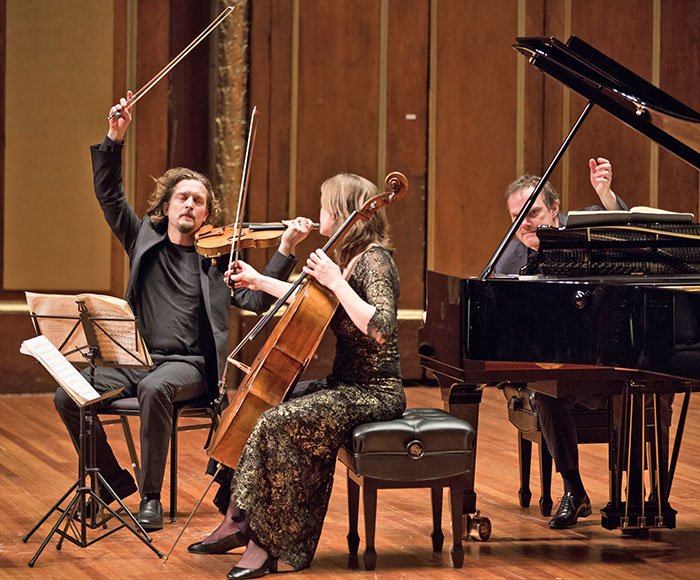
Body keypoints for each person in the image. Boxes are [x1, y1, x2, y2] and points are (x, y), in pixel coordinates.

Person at [53, 92, 314, 531]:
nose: (190, 205)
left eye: (198, 200)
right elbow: (109, 195)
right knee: (68, 393)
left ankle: (150, 497)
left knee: (157, 388)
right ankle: (113, 479)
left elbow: (255, 302)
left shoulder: (215, 261)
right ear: (166, 207)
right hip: (137, 359)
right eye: (182, 198)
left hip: (191, 368)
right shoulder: (143, 241)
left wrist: (284, 249)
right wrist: (114, 138)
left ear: (207, 213)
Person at [187, 173, 406, 577]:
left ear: (344, 212)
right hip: (346, 384)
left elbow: (379, 327)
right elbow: (310, 300)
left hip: (375, 392)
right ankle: (237, 519)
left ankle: (267, 543)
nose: (320, 211)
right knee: (267, 403)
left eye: (325, 204)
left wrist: (337, 281)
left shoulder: (375, 259)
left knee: (277, 423)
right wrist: (257, 280)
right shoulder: (349, 256)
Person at [494, 158, 626, 529]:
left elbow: (618, 226)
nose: (525, 224)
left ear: (555, 209)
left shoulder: (581, 229)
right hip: (560, 369)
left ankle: (640, 497)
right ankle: (574, 490)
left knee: (642, 388)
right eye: (517, 216)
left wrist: (606, 196)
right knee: (547, 389)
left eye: (534, 212)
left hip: (609, 358)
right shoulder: (511, 253)